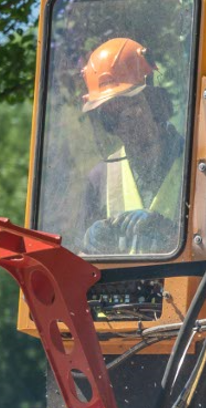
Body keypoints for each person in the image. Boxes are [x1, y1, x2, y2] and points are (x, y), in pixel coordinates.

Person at [78, 37, 186, 255]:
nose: (124, 124)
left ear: (156, 103)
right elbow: (78, 267)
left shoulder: (201, 166)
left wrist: (171, 233)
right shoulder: (99, 178)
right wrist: (87, 247)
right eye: (113, 116)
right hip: (125, 288)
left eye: (133, 107)